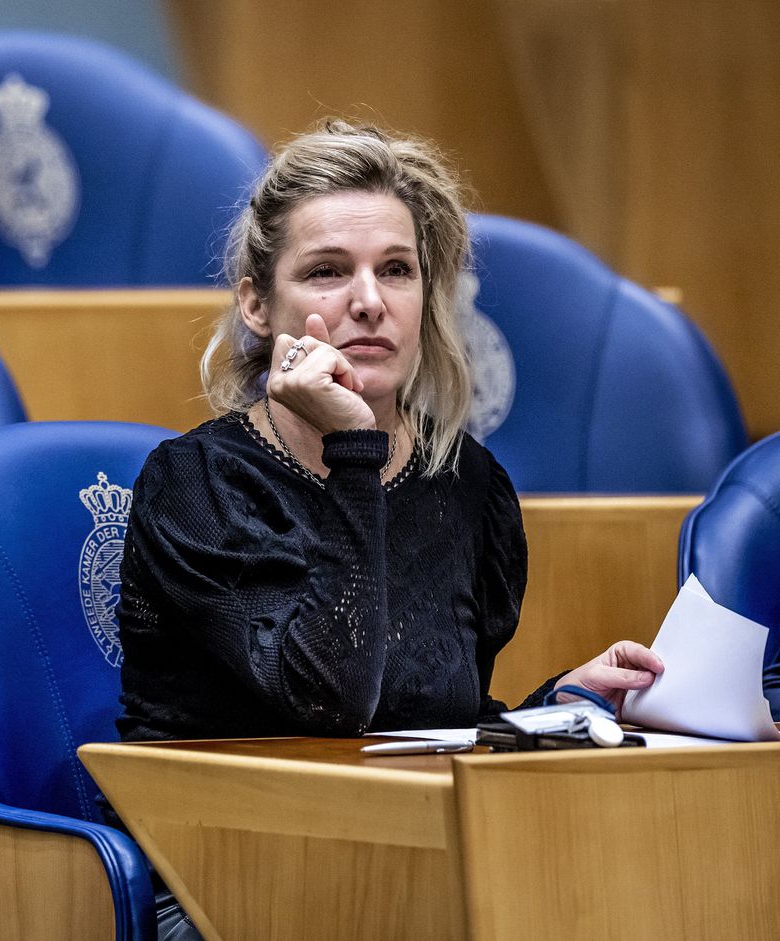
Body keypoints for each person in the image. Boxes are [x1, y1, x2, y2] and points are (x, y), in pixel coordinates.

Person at [110, 118, 664, 937]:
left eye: (397, 270)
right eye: (328, 271)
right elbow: (331, 706)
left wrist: (561, 705)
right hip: (217, 875)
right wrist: (354, 454)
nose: (369, 301)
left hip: (412, 856)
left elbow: (418, 726)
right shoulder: (194, 485)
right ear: (258, 304)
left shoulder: (470, 485)